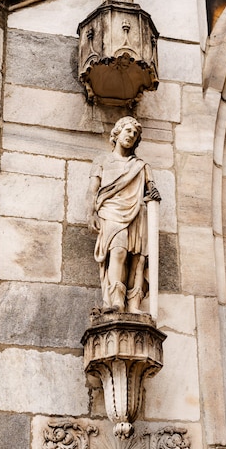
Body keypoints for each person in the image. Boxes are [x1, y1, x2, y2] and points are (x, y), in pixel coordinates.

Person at [86, 116, 161, 314]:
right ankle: (116, 301)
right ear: (117, 132)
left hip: (137, 212)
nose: (132, 136)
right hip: (111, 212)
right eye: (128, 131)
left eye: (135, 134)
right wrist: (91, 213)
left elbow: (151, 189)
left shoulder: (142, 166)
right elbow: (92, 191)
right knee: (118, 251)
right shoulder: (102, 161)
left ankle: (134, 305)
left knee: (138, 259)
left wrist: (154, 193)